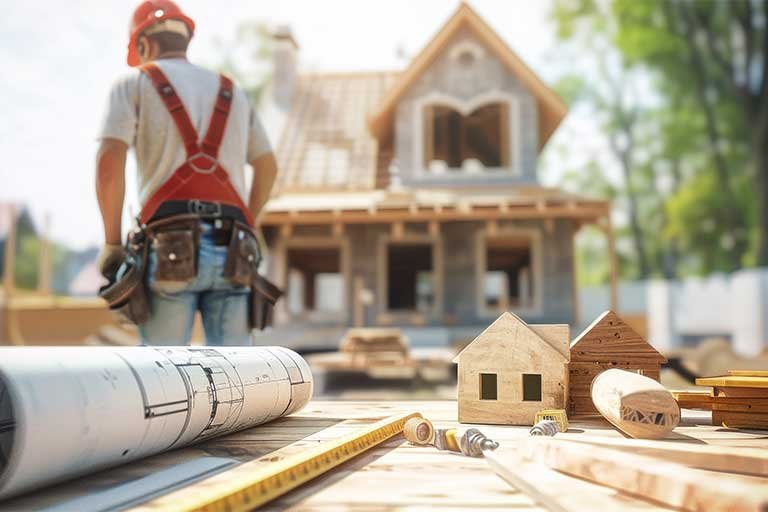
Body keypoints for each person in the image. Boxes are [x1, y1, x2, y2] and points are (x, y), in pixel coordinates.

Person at [95, 0, 278, 346]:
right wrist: (250, 224)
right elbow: (267, 166)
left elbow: (109, 162)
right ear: (186, 39)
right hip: (235, 248)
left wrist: (112, 243)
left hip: (169, 247)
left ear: (143, 44)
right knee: (235, 371)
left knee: (165, 371)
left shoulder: (133, 84)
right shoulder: (233, 92)